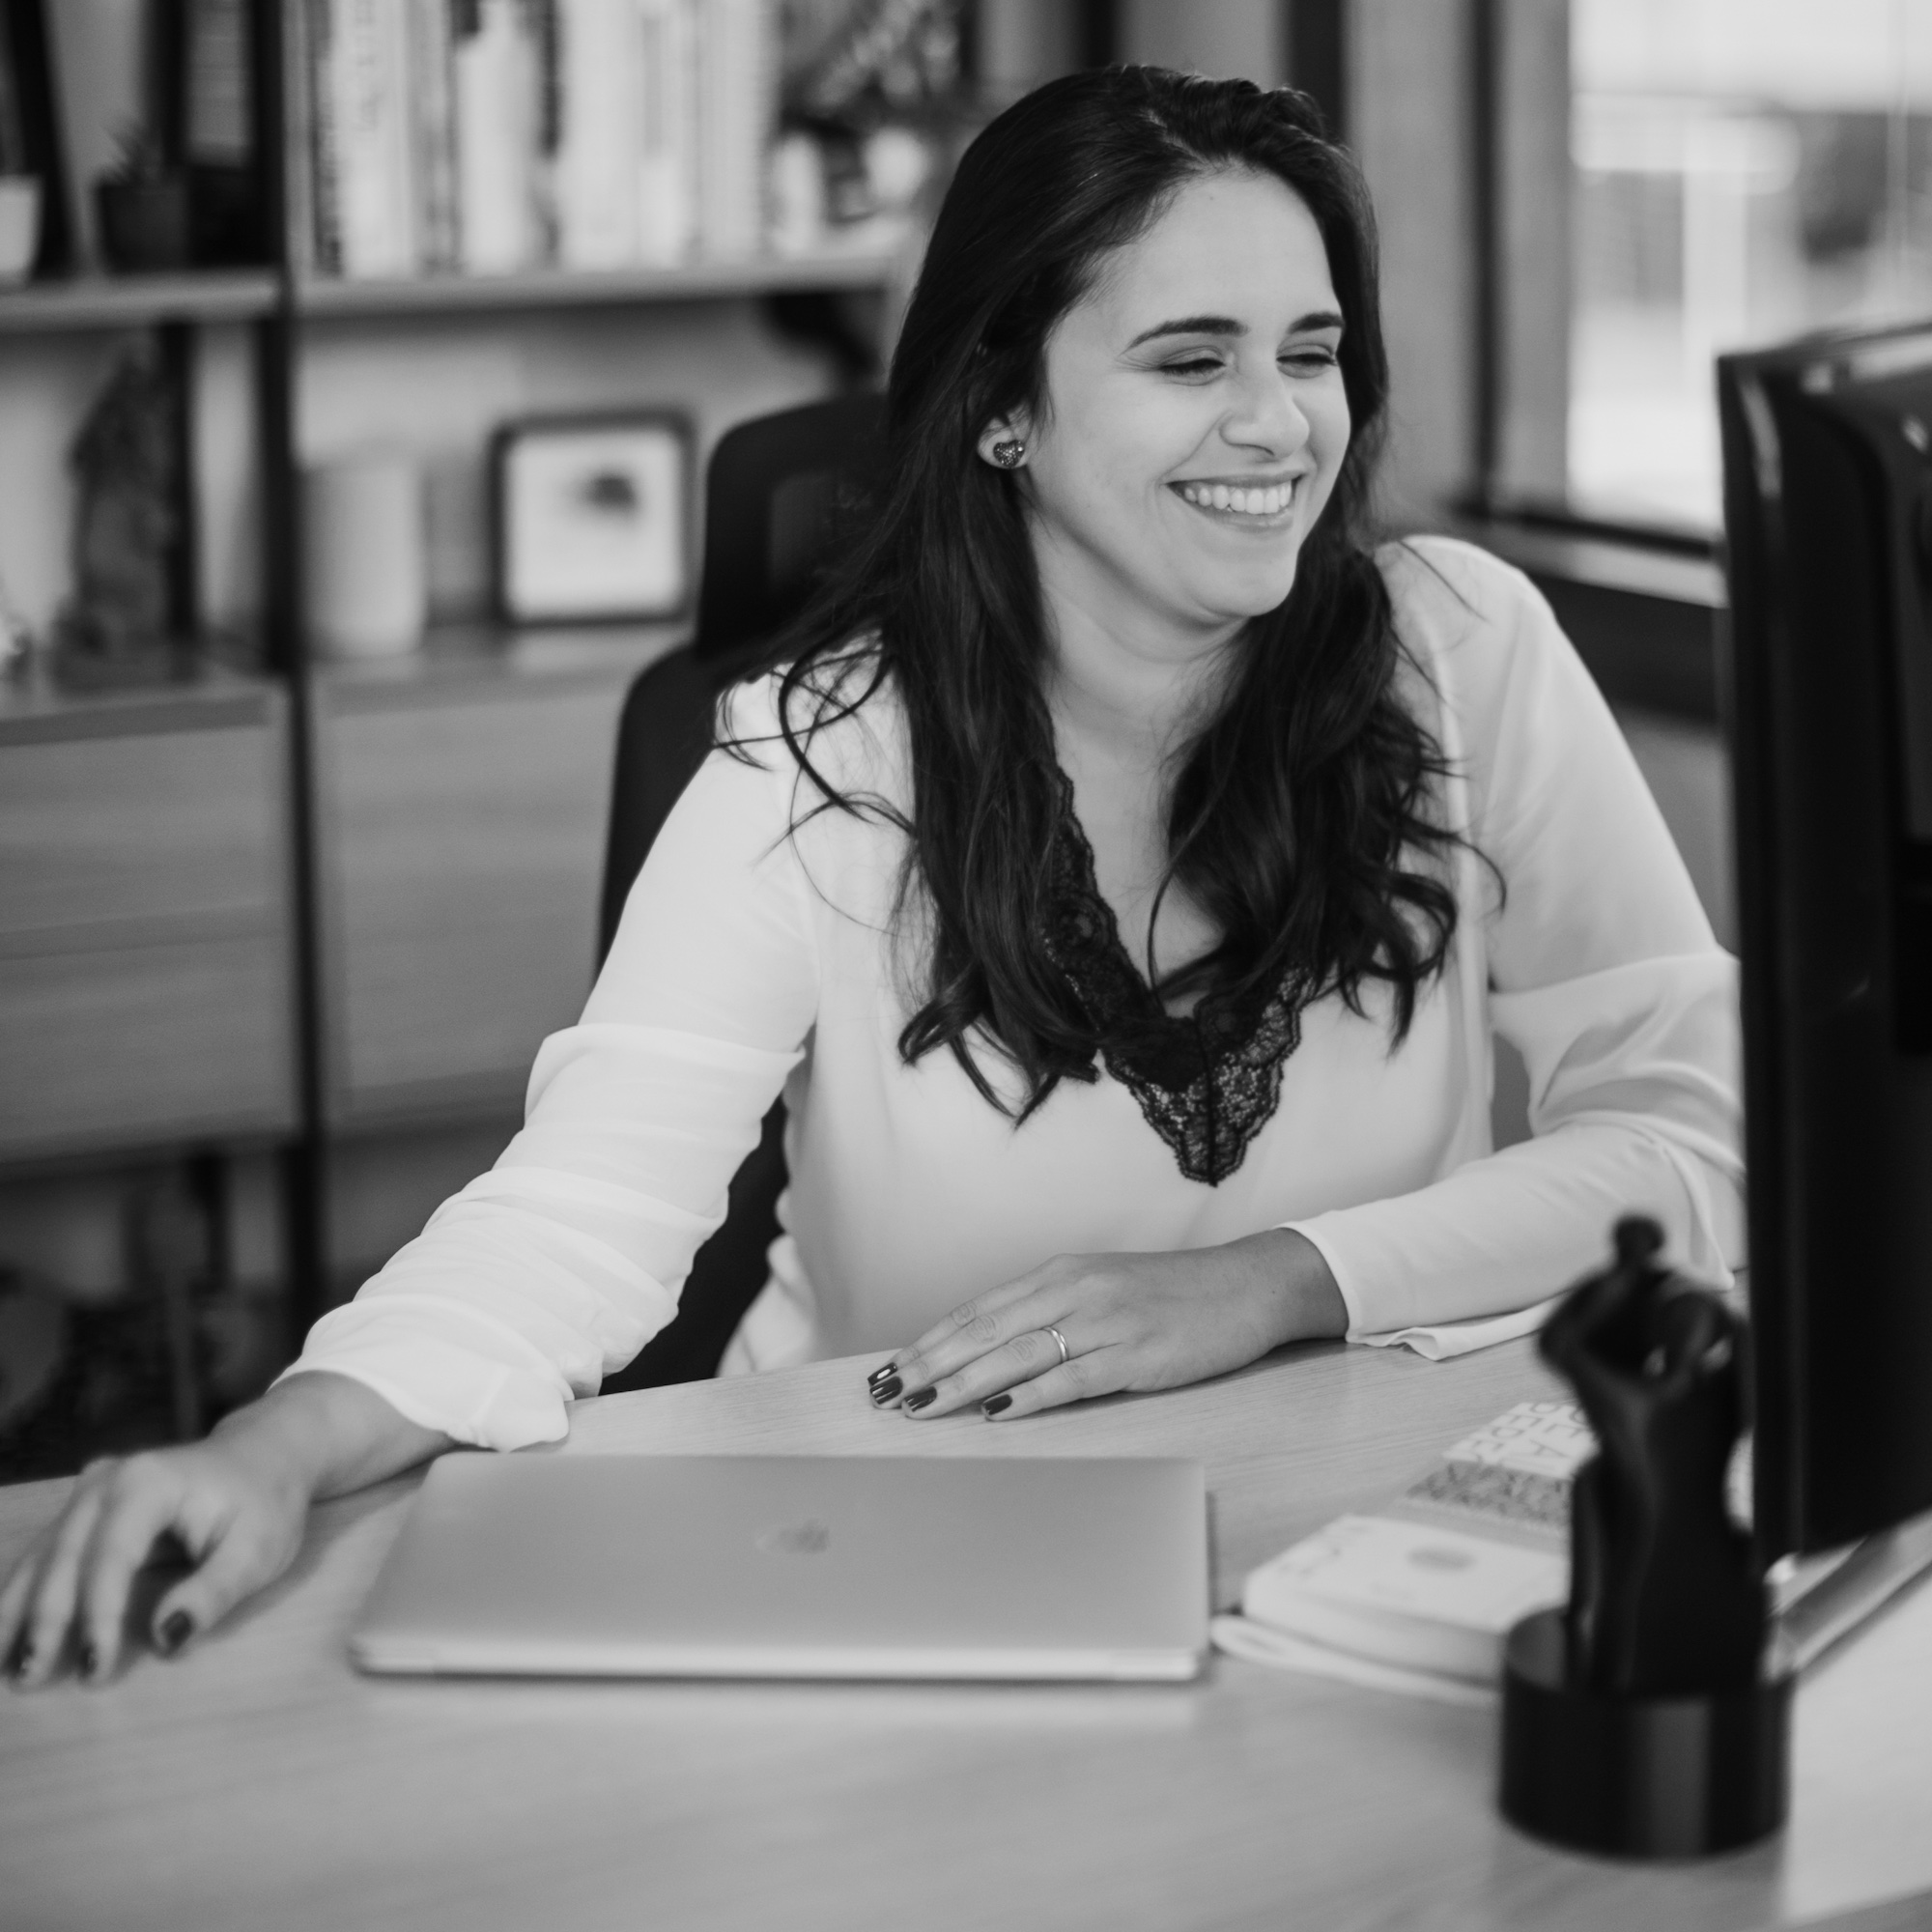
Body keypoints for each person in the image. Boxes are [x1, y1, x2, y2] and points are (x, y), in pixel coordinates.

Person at [1, 67, 1741, 1690]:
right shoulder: (814, 762)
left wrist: (1279, 1277)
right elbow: (574, 1222)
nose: (1282, 424)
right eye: (1190, 359)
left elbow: (1700, 1137)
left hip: (1350, 1535)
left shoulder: (1460, 651)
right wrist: (275, 1445)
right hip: (878, 1558)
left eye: (1313, 349)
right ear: (1002, 409)